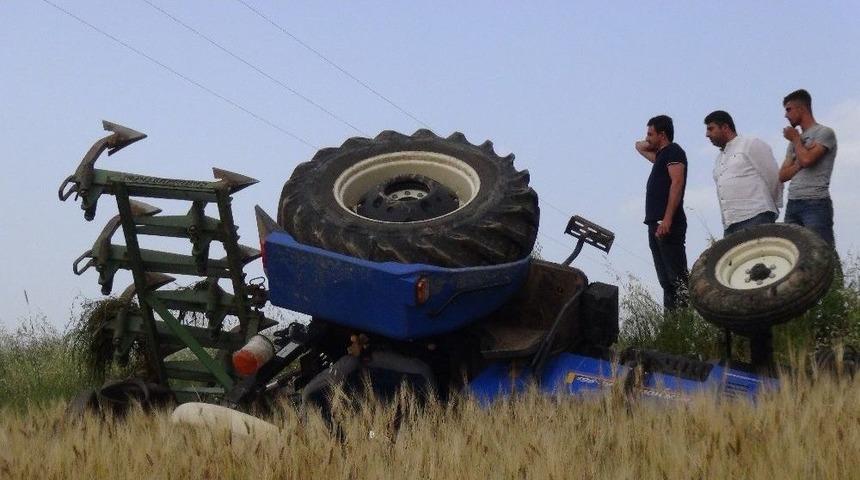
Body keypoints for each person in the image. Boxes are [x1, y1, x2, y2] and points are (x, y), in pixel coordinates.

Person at [635, 115, 689, 311]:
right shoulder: (661, 156)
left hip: (667, 223)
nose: (647, 138)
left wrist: (667, 219)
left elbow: (677, 183)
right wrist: (651, 141)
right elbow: (639, 146)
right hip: (654, 223)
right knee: (666, 281)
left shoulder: (674, 152)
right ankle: (672, 326)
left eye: (650, 133)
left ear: (663, 134)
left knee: (677, 279)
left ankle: (685, 324)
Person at [704, 110, 783, 237]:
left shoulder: (750, 144)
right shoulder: (719, 159)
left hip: (756, 216)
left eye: (711, 129)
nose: (707, 134)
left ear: (725, 127)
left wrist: (770, 204)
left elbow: (772, 175)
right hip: (730, 224)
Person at [778, 89, 838, 247]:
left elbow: (807, 159)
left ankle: (835, 273)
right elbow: (782, 175)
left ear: (801, 108)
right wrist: (800, 159)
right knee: (793, 252)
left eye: (789, 109)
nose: (786, 115)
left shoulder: (824, 133)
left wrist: (797, 140)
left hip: (816, 202)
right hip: (793, 202)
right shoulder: (793, 143)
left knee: (822, 251)